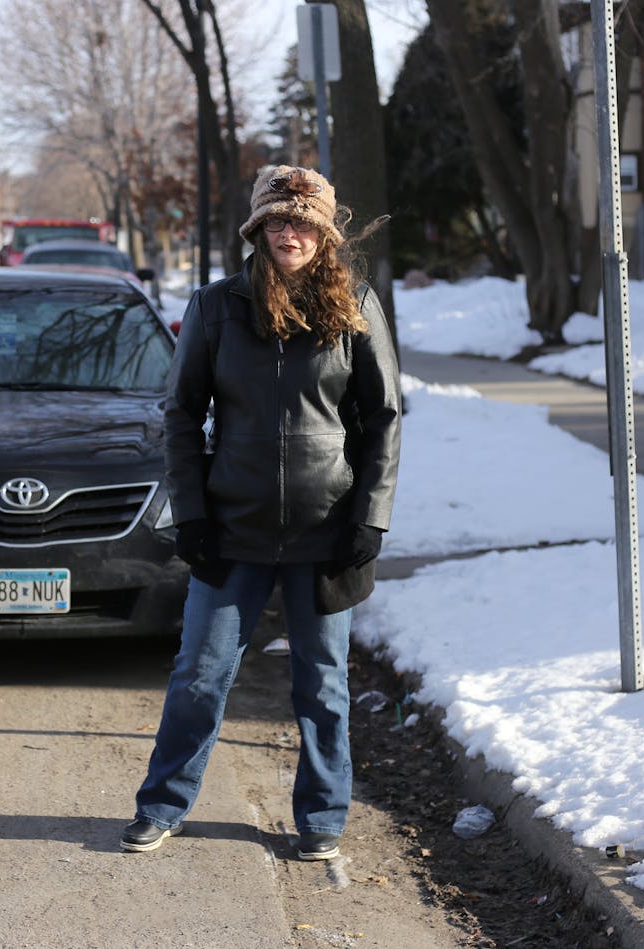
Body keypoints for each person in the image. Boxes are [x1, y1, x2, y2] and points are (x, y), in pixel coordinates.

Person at [121, 165, 401, 861]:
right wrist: (191, 515)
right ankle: (163, 803)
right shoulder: (217, 308)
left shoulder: (355, 302)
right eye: (278, 220)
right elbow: (182, 414)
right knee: (199, 674)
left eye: (303, 222)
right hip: (232, 528)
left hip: (327, 528)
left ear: (323, 233)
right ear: (257, 229)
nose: (290, 233)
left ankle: (323, 816)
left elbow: (384, 418)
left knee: (323, 683)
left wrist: (370, 516)